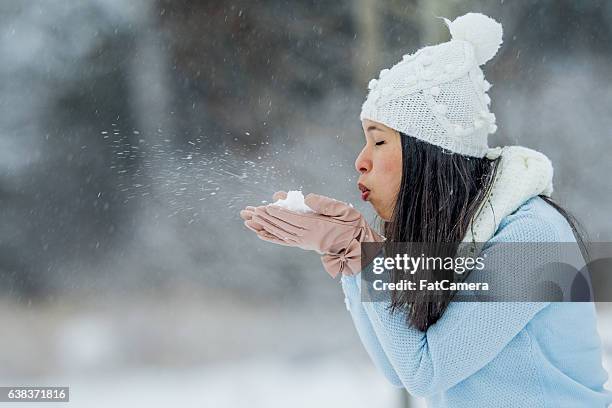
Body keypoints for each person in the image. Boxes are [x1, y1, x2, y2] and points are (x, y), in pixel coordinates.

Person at [240, 12, 612, 407]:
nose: (360, 161)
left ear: (428, 154)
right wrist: (352, 257)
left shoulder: (533, 235)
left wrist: (369, 260)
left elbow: (425, 370)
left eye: (379, 142)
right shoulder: (458, 238)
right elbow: (395, 366)